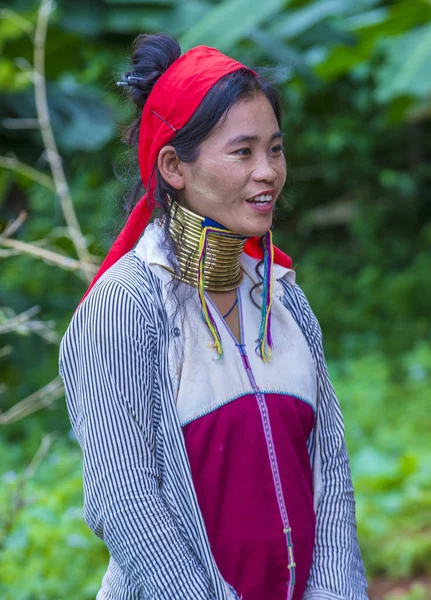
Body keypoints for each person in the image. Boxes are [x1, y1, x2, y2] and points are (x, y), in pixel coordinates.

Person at [59, 33, 368, 600]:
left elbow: (330, 478)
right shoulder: (125, 309)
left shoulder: (283, 300)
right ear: (174, 166)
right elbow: (125, 500)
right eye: (243, 151)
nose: (268, 172)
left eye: (275, 149)